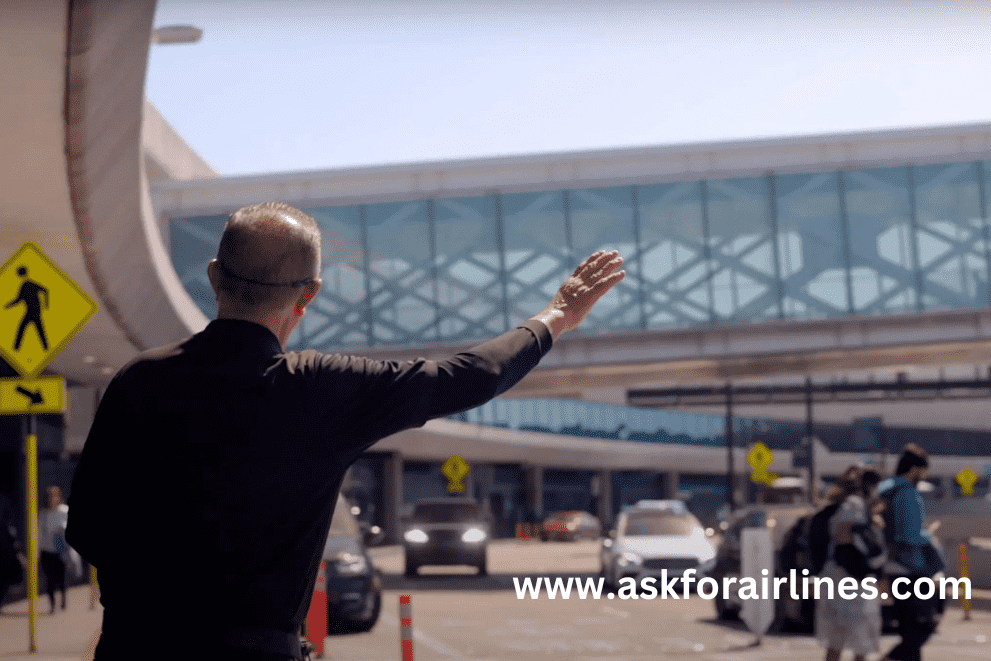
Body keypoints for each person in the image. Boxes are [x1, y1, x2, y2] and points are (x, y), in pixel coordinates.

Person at [66, 201, 625, 660]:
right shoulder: (320, 388)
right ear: (308, 295)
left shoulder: (138, 382)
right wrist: (556, 315)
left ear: (214, 277)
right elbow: (469, 375)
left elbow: (86, 529)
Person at [815, 466, 887, 661]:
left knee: (837, 639)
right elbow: (842, 535)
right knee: (859, 638)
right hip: (850, 579)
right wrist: (868, 528)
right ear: (871, 486)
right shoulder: (855, 504)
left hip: (840, 576)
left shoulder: (848, 504)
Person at [878, 444, 943, 661]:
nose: (924, 476)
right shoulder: (907, 493)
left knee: (908, 629)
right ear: (915, 469)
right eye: (923, 470)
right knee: (922, 626)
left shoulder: (886, 488)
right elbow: (910, 534)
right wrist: (929, 536)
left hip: (890, 564)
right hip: (910, 567)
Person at [38, 485, 81, 614]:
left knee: (60, 578)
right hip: (46, 550)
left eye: (55, 495)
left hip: (59, 548)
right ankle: (52, 605)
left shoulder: (64, 510)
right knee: (49, 580)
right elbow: (39, 532)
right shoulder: (43, 513)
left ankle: (63, 598)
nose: (53, 498)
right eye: (50, 495)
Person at [0, 490, 22, 612]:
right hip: (5, 544)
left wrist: (14, 542)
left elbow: (10, 525)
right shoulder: (4, 500)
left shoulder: (4, 501)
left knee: (4, 576)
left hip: (4, 546)